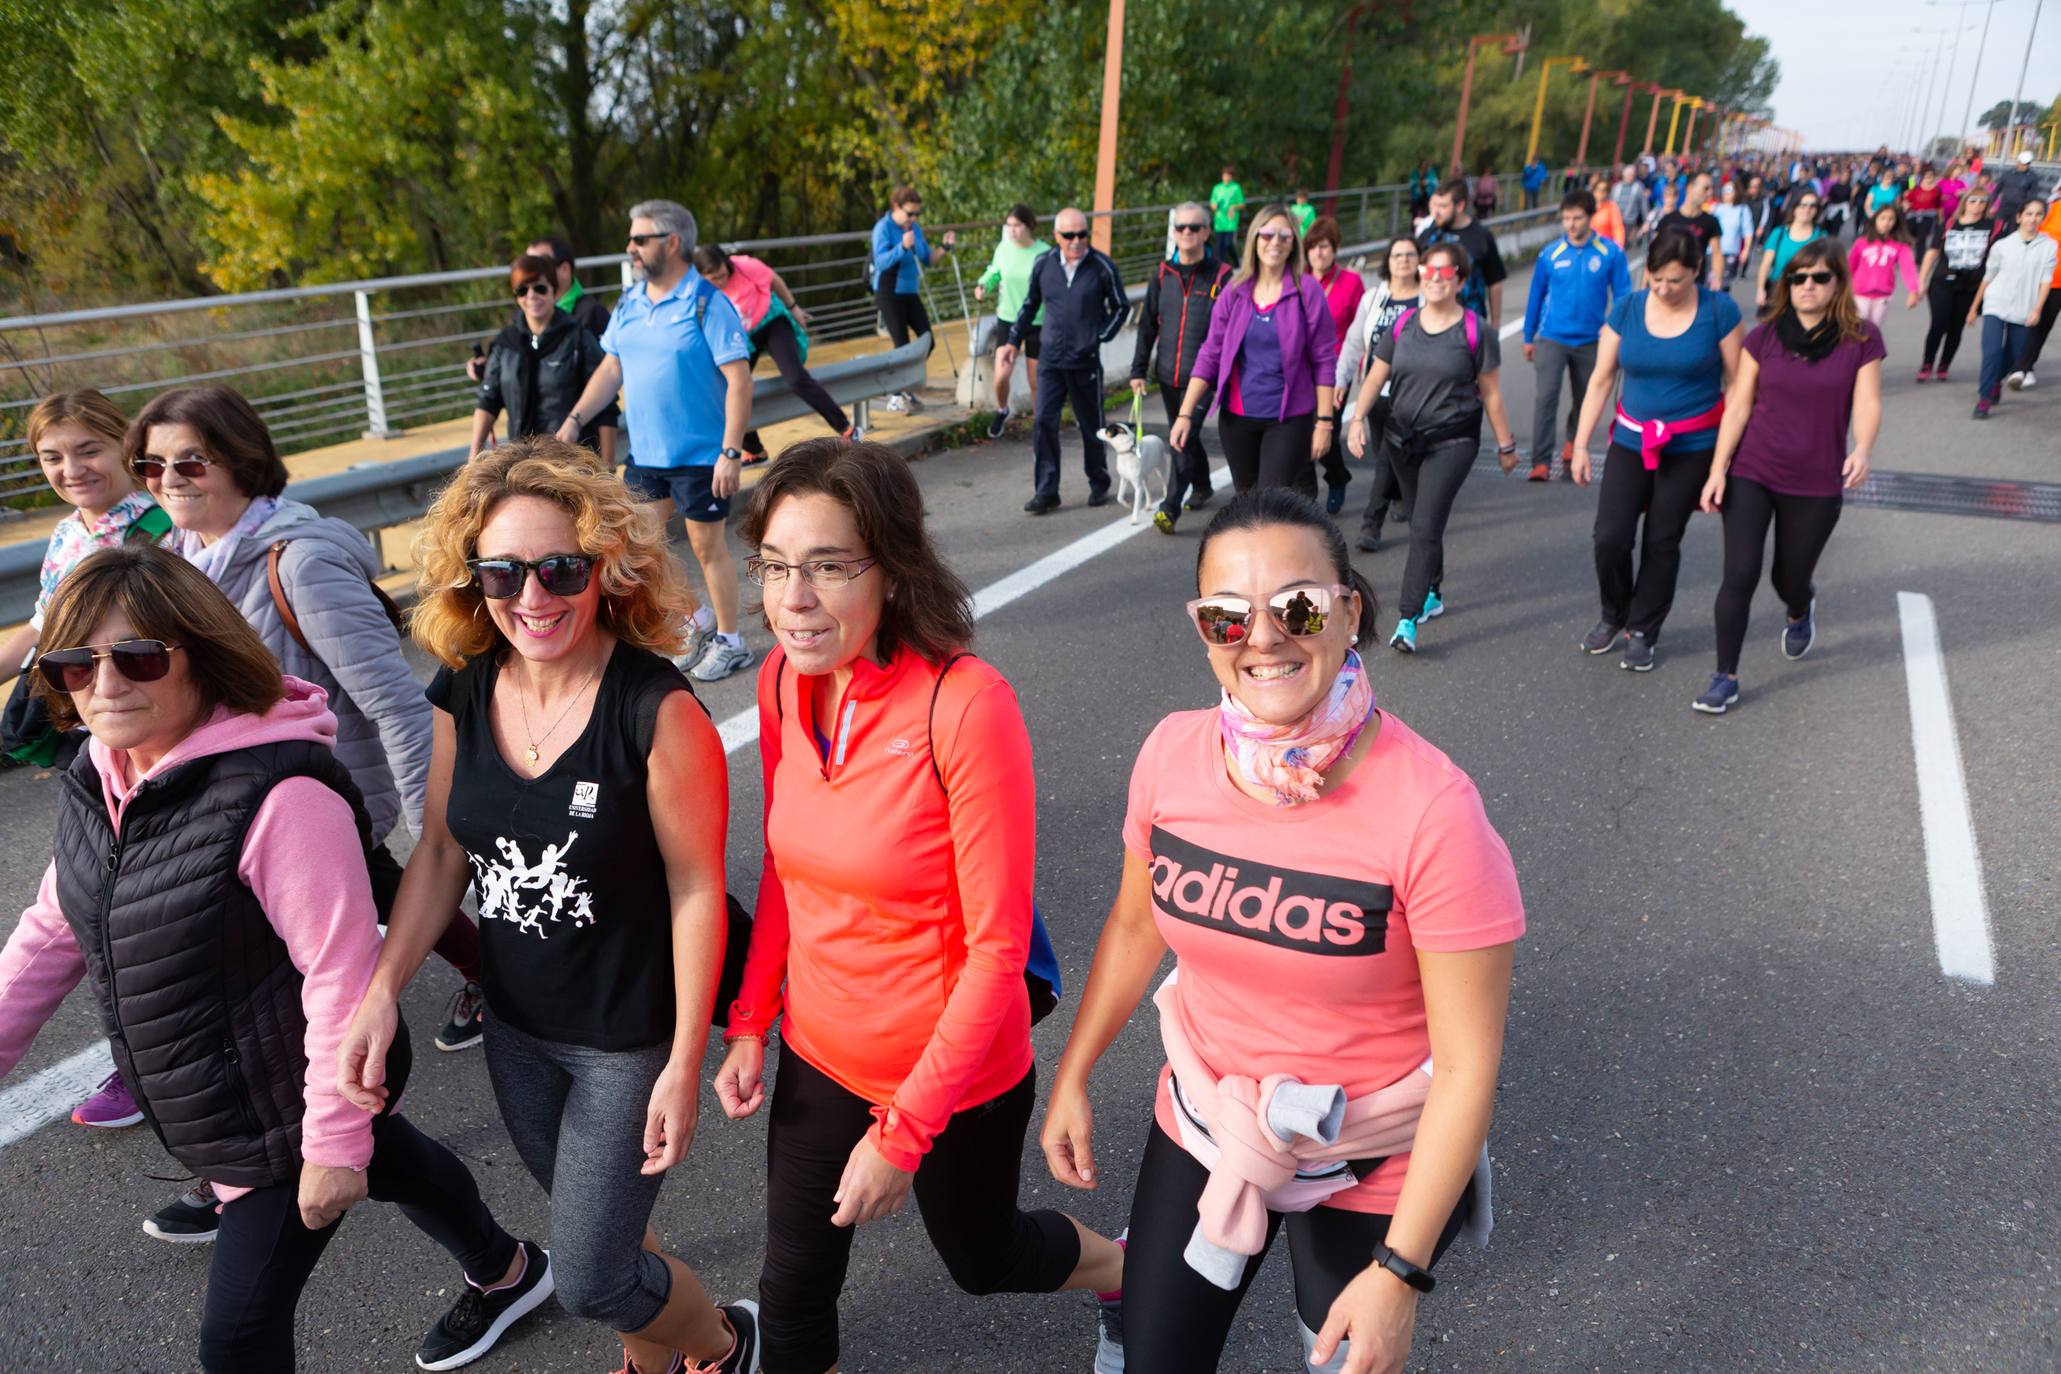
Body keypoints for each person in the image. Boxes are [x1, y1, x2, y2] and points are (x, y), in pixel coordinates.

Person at [0, 545, 550, 1373]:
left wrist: (331, 1141)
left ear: (205, 657)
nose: (104, 684)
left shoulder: (281, 798)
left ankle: (501, 1265)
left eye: (140, 657)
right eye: (75, 664)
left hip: (289, 1103)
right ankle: (509, 1273)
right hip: (221, 1090)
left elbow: (343, 972)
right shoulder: (103, 772)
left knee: (237, 1340)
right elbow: (54, 924)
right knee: (398, 1159)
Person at [1039, 486, 1522, 1374]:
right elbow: (1133, 924)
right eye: (1227, 617)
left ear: (1348, 612)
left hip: (1371, 1151)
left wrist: (1400, 1275)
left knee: (1335, 1357)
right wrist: (1071, 1075)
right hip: (1210, 1112)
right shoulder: (1169, 755)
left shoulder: (1434, 812)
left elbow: (1465, 1069)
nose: (1261, 637)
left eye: (1295, 606)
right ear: (1203, 631)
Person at [334, 439, 759, 1374]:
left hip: (625, 1040)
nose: (532, 597)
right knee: (605, 1234)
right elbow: (442, 848)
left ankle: (728, 1345)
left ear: (605, 569)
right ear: (471, 580)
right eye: (503, 572)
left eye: (560, 568)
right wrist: (380, 991)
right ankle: (651, 1364)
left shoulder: (655, 708)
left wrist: (688, 1057)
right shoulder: (467, 686)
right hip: (517, 1028)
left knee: (592, 1276)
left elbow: (696, 889)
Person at [714, 439, 1128, 1374]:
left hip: (952, 1070)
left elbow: (995, 949)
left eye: (827, 567)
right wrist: (750, 1020)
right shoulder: (782, 680)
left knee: (984, 1261)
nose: (793, 599)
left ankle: (1127, 1275)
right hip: (821, 1050)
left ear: (892, 571)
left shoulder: (965, 705)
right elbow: (786, 868)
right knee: (791, 1290)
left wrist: (903, 1136)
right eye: (775, 567)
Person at [129, 385, 485, 1062]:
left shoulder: (302, 563)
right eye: (152, 467)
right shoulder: (174, 561)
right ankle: (485, 977)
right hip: (236, 792)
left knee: (301, 957)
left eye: (190, 462)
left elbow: (398, 705)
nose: (168, 480)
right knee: (366, 902)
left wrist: (432, 835)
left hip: (320, 795)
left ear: (238, 459)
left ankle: (347, 1107)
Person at [0, 391, 171, 1133]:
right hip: (92, 738)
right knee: (97, 908)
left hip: (151, 739)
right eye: (52, 457)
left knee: (110, 910)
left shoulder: (159, 529)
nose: (71, 469)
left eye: (87, 450)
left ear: (125, 445)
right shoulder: (71, 534)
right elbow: (40, 634)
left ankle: (146, 1065)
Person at [557, 198, 758, 683]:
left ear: (671, 243)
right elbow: (611, 369)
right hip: (647, 455)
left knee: (706, 547)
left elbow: (740, 379)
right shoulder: (629, 304)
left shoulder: (707, 302)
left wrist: (730, 452)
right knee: (641, 548)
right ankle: (696, 619)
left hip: (700, 456)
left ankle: (732, 640)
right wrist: (574, 417)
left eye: (639, 239)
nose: (630, 248)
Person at [1692, 240, 1882, 716]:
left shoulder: (1860, 339)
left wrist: (1862, 447)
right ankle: (1724, 676)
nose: (1808, 286)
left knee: (1789, 577)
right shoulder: (1765, 337)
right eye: (1798, 277)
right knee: (1739, 573)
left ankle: (1800, 608)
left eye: (1819, 277)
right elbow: (1738, 406)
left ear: (1838, 281)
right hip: (1754, 469)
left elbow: (1867, 402)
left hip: (1817, 479)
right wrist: (1718, 470)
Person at [1569, 229, 1745, 672]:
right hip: (1631, 440)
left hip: (1692, 446)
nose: (1664, 289)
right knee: (1609, 537)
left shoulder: (1718, 311)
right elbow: (1602, 380)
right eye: (1657, 279)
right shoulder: (1627, 308)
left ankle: (1644, 627)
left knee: (1662, 540)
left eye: (1676, 280)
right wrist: (1580, 445)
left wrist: (1722, 464)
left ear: (1696, 273)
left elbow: (1739, 386)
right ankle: (1614, 613)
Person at [1344, 240, 1517, 653]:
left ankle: (1407, 618)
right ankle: (1433, 590)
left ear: (1459, 279)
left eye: (1446, 272)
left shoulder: (1476, 330)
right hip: (1403, 438)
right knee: (1426, 519)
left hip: (1452, 441)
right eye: (1429, 270)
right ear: (1420, 275)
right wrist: (1356, 420)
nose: (1436, 278)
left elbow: (1490, 394)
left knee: (1424, 525)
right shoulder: (1401, 326)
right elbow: (1374, 376)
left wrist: (1506, 445)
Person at [1169, 205, 1339, 500]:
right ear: (1254, 239)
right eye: (1268, 234)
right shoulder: (1234, 291)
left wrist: (1324, 422)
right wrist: (1185, 414)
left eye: (1284, 236)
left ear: (1294, 243)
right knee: (1247, 503)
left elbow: (1324, 359)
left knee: (1270, 502)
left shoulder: (1307, 291)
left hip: (1288, 419)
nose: (1275, 242)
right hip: (1237, 419)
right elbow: (1210, 353)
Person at [1000, 207, 1130, 515]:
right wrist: (1012, 340)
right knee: (1044, 422)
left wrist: (1098, 337)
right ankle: (1046, 491)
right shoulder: (1043, 263)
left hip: (1084, 361)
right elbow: (1029, 305)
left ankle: (1098, 481)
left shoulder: (1101, 266)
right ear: (1057, 236)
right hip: (1050, 360)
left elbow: (1121, 308)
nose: (1076, 240)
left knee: (1092, 426)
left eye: (1082, 234)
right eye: (1069, 235)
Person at [691, 242, 855, 456]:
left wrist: (793, 308)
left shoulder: (744, 266)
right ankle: (754, 449)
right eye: (714, 279)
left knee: (795, 377)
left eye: (723, 275)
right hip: (743, 337)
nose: (721, 281)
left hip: (771, 321)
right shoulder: (699, 289)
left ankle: (845, 428)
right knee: (733, 386)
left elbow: (775, 281)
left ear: (727, 264)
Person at [1132, 201, 1233, 532]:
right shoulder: (1163, 274)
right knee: (1184, 434)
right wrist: (1137, 371)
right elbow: (1147, 325)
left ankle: (1170, 506)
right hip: (1167, 374)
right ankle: (1202, 485)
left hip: (1203, 377)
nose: (1186, 233)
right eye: (1180, 227)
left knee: (1181, 437)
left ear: (1206, 231)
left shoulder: (1223, 276)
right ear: (1173, 232)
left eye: (1194, 227)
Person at [1523, 191, 1632, 484]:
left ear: (1590, 217)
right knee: (1546, 398)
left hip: (1591, 339)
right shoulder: (1550, 254)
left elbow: (1623, 294)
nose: (1571, 224)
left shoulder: (1609, 253)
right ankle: (1540, 462)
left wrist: (1613, 326)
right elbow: (1536, 295)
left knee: (1585, 397)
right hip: (1552, 336)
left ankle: (1573, 442)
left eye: (1577, 218)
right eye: (1566, 218)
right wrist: (1528, 335)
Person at [469, 254, 618, 463]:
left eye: (540, 288)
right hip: (522, 463)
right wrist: (472, 460)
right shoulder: (506, 343)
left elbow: (607, 406)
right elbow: (488, 401)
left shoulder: (578, 338)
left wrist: (608, 467)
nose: (531, 296)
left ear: (555, 292)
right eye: (522, 290)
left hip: (571, 461)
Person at [1338, 236, 1422, 554]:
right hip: (1376, 391)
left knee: (1387, 457)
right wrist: (1341, 379)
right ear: (1387, 261)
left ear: (1419, 260)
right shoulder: (1374, 298)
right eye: (1397, 255)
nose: (1403, 260)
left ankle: (1371, 523)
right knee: (1384, 453)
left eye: (1410, 255)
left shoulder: (1427, 298)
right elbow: (1354, 342)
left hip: (1411, 394)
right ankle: (1400, 494)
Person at [466, 234, 614, 384]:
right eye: (527, 264)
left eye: (540, 263)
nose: (531, 271)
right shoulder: (523, 317)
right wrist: (491, 367)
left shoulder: (592, 314)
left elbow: (608, 373)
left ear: (564, 269)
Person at [1969, 197, 2057, 419]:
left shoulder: (2049, 246)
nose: (2032, 218)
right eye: (2028, 213)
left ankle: (1995, 381)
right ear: (2019, 217)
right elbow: (1988, 277)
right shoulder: (2002, 245)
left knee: (2012, 356)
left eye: (2038, 214)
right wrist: (1974, 307)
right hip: (1995, 303)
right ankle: (1985, 398)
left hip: (2025, 308)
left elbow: (2046, 280)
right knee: (1991, 353)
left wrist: (2037, 308)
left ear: (2042, 218)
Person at [869, 185, 955, 412]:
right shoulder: (883, 228)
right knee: (902, 346)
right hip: (889, 292)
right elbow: (881, 262)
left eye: (917, 214)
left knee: (928, 341)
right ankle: (896, 395)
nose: (913, 218)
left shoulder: (914, 229)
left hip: (910, 291)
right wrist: (902, 247)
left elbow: (928, 258)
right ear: (896, 207)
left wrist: (944, 247)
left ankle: (902, 386)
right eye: (910, 213)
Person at [1305, 216, 1366, 513]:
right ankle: (1314, 487)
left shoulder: (1351, 282)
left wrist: (1357, 375)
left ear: (1336, 248)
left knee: (1325, 427)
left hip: (1335, 371)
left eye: (1325, 246)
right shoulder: (1296, 279)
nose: (1319, 253)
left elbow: (1362, 330)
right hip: (1299, 369)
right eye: (1313, 247)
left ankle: (1336, 477)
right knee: (1300, 431)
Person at [974, 203, 1051, 436]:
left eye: (1016, 225)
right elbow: (994, 270)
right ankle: (1002, 409)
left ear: (1029, 226)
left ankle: (1040, 425)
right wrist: (983, 284)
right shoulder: (1003, 249)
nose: (1011, 230)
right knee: (1001, 376)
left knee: (1036, 380)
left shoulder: (1044, 252)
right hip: (1008, 319)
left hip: (1037, 320)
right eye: (1008, 225)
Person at [1917, 185, 1995, 383]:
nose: (1977, 206)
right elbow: (1932, 252)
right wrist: (1921, 280)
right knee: (1938, 324)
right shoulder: (1950, 224)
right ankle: (1927, 363)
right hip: (1942, 282)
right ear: (1965, 203)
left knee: (1956, 328)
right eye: (1973, 201)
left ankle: (1944, 364)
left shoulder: (1992, 227)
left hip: (1971, 286)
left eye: (1982, 202)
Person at [1420, 180, 1508, 325]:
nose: (1436, 212)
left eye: (1443, 206)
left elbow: (1495, 283)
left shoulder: (1481, 236)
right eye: (1434, 205)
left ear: (1460, 206)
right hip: (1432, 324)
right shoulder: (1428, 235)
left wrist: (1495, 324)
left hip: (1471, 323)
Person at [2008, 195, 2061, 388]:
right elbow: (2031, 231)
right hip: (2042, 278)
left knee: (2043, 327)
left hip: (2057, 283)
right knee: (2030, 323)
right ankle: (2019, 366)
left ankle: (2025, 366)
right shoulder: (2054, 209)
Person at [1846, 204, 1921, 334]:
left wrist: (1913, 290)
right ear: (1875, 219)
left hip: (1882, 296)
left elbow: (1908, 268)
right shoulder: (1861, 243)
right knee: (1855, 330)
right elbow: (1849, 267)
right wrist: (1840, 289)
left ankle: (1869, 354)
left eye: (1891, 219)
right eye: (1883, 218)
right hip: (1859, 295)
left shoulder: (1900, 245)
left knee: (1873, 332)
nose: (1886, 222)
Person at [1755, 189, 1825, 309]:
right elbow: (1765, 264)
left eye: (1812, 206)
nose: (1807, 209)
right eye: (1803, 205)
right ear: (1794, 208)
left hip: (1806, 291)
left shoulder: (1821, 236)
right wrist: (1760, 290)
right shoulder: (1779, 233)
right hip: (1778, 290)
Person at [1656, 172, 1723, 290]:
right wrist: (1646, 282)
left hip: (1696, 284)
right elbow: (1654, 252)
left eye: (1711, 188)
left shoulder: (1711, 221)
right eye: (1706, 188)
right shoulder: (1668, 220)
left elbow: (1716, 252)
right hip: (1668, 285)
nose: (1710, 193)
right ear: (1690, 188)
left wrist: (1717, 278)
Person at [1712, 183, 1754, 289]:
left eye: (1729, 189)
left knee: (1724, 284)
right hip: (1713, 252)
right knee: (1711, 283)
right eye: (1724, 189)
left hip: (1730, 252)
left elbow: (1748, 231)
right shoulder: (1715, 208)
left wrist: (1746, 250)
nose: (1726, 192)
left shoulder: (1743, 209)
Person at [1991, 150, 2042, 227]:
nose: (2024, 166)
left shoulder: (2033, 177)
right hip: (2004, 206)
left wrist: (2027, 209)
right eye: (2022, 163)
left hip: (2018, 208)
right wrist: (1991, 204)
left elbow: (2033, 195)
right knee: (1997, 227)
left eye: (2026, 164)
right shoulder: (2008, 174)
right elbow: (1997, 190)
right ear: (2018, 162)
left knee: (2012, 230)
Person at [1212, 166, 1248, 264]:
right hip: (1219, 220)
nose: (1226, 177)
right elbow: (1213, 203)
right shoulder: (1217, 188)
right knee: (1219, 246)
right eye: (1224, 175)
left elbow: (1242, 204)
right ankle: (1222, 266)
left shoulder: (1235, 188)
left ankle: (1236, 262)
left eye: (1228, 175)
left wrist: (1233, 207)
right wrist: (1214, 206)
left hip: (1230, 220)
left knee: (1228, 244)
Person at [1611, 164, 1651, 249]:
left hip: (1629, 220)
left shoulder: (1639, 187)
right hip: (1615, 219)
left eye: (1633, 175)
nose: (1631, 177)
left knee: (1622, 244)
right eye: (1629, 175)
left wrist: (1647, 221)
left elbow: (1644, 205)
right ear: (1624, 175)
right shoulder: (1616, 187)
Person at [1588, 173, 1627, 249]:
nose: (1601, 193)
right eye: (1599, 190)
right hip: (1588, 247)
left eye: (1605, 190)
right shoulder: (1586, 205)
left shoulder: (1612, 207)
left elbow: (1618, 228)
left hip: (1606, 247)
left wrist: (1618, 247)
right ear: (1593, 190)